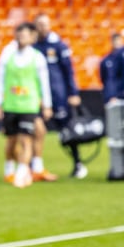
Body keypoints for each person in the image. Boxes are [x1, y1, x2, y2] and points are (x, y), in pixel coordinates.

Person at [0, 22, 52, 189]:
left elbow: (44, 83)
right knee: (11, 141)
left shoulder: (37, 57)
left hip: (29, 105)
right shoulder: (7, 55)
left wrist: (47, 105)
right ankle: (9, 170)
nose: (21, 38)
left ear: (32, 37)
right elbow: (0, 80)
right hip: (11, 104)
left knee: (26, 139)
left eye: (25, 35)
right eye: (19, 34)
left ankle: (22, 172)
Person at [31, 14, 84, 180]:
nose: (43, 27)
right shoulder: (31, 47)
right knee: (34, 132)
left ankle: (78, 163)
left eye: (45, 24)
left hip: (58, 96)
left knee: (67, 133)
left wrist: (73, 93)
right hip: (36, 97)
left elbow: (68, 70)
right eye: (39, 24)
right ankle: (33, 167)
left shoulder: (58, 45)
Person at [97, 31, 122, 106]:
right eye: (114, 40)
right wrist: (110, 94)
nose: (116, 43)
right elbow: (104, 78)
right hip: (109, 95)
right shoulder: (105, 60)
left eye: (118, 40)